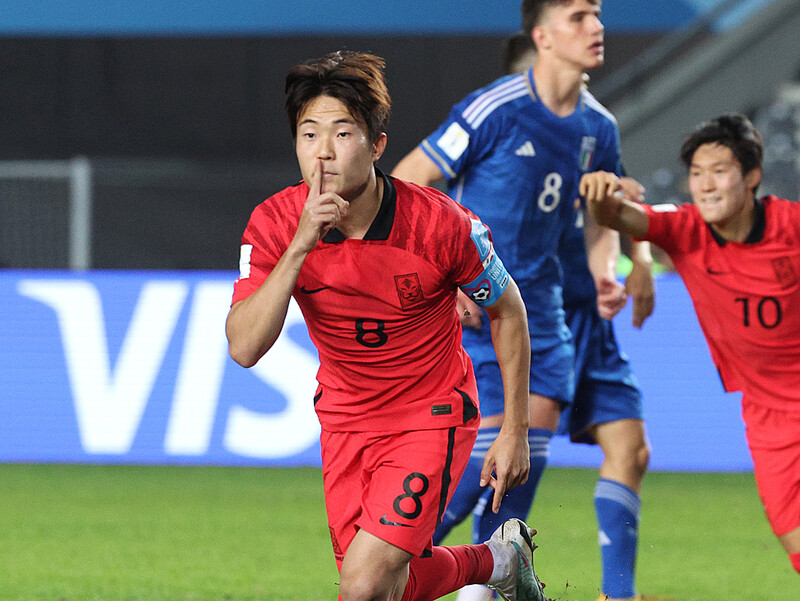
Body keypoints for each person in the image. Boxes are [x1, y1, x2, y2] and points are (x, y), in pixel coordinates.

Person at [226, 50, 551, 601]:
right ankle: (498, 560)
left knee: (362, 584)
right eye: (309, 135)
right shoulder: (276, 224)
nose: (323, 153)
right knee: (379, 588)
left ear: (376, 145)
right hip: (345, 420)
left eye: (342, 133)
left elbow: (508, 309)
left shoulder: (442, 225)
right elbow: (244, 346)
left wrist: (514, 429)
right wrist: (301, 246)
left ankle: (495, 561)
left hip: (431, 413)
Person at [392, 4, 654, 600]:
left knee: (521, 449)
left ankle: (473, 582)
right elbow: (410, 181)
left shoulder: (599, 128)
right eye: (580, 16)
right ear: (543, 36)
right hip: (466, 309)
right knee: (484, 450)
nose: (597, 26)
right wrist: (448, 274)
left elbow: (599, 215)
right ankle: (394, 562)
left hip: (538, 314)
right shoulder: (495, 108)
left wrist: (610, 267)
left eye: (599, 15)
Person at [581, 112, 800, 576]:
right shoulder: (685, 229)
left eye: (719, 171)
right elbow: (623, 216)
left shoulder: (792, 228)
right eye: (697, 174)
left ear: (752, 176)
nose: (706, 185)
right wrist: (600, 195)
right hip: (770, 419)